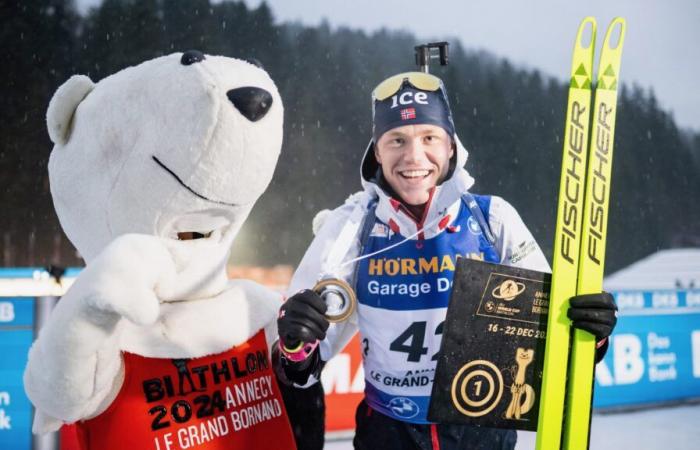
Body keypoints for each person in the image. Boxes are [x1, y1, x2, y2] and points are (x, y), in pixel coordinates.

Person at [274, 72, 617, 450]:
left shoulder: (492, 219)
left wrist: (592, 332)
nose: (413, 156)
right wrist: (295, 342)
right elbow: (300, 368)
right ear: (377, 151)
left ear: (451, 146)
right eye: (397, 140)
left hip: (481, 435)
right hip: (389, 435)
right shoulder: (350, 228)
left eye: (429, 138)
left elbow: (553, 336)